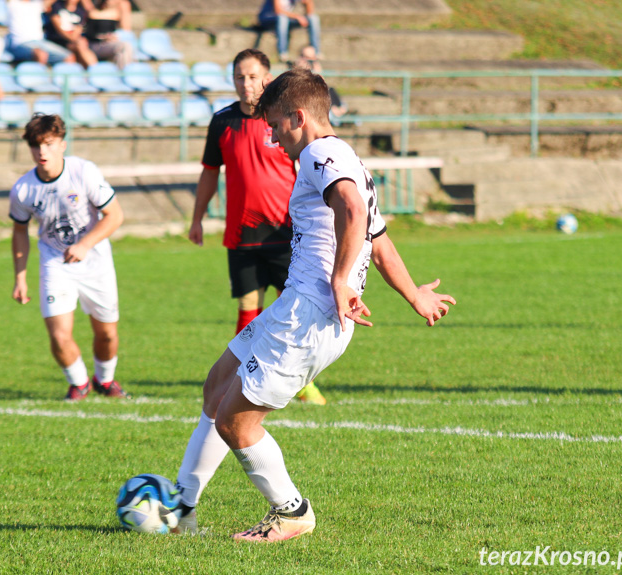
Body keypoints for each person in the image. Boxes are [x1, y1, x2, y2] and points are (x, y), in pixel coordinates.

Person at [169, 68, 456, 540]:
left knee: (235, 424)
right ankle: (180, 509)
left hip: (310, 317)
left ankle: (292, 511)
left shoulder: (321, 153)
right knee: (217, 385)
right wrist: (414, 294)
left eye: (277, 126)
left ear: (298, 117)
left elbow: (353, 211)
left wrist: (342, 280)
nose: (275, 139)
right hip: (294, 310)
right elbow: (377, 238)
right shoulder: (347, 159)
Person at [189, 48, 325, 405]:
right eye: (239, 77)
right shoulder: (222, 121)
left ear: (267, 78)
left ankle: (300, 380)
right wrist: (197, 218)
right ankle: (241, 378)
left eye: (252, 77)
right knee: (249, 309)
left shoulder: (282, 121)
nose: (245, 84)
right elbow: (208, 173)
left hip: (286, 231)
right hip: (243, 234)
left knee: (295, 309)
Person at [10, 113, 127, 402]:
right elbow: (19, 232)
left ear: (62, 144)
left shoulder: (83, 172)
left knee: (107, 335)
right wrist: (20, 277)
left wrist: (86, 244)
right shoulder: (23, 189)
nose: (42, 152)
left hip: (95, 261)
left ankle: (105, 379)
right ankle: (79, 383)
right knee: (59, 336)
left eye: (49, 144)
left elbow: (115, 215)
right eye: (36, 146)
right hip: (55, 263)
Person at [6, 0, 74, 65]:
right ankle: (39, 76)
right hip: (20, 43)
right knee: (41, 54)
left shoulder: (37, 4)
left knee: (68, 57)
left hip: (40, 42)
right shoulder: (13, 3)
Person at [293, 45, 347, 122]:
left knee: (330, 90)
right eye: (306, 57)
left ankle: (338, 112)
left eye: (312, 57)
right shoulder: (294, 73)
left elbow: (322, 88)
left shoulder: (317, 69)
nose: (310, 61)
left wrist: (318, 74)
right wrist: (300, 70)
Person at [44, 0, 97, 68]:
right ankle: (94, 71)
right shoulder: (56, 6)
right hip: (57, 41)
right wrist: (73, 38)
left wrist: (75, 39)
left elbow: (78, 30)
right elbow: (59, 28)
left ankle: (94, 71)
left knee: (81, 46)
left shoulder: (80, 10)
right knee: (79, 46)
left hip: (73, 42)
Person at [83, 0, 132, 68]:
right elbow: (90, 33)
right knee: (124, 47)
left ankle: (124, 72)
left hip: (109, 44)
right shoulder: (92, 13)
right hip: (95, 44)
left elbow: (126, 28)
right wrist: (103, 37)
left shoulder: (116, 12)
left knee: (126, 47)